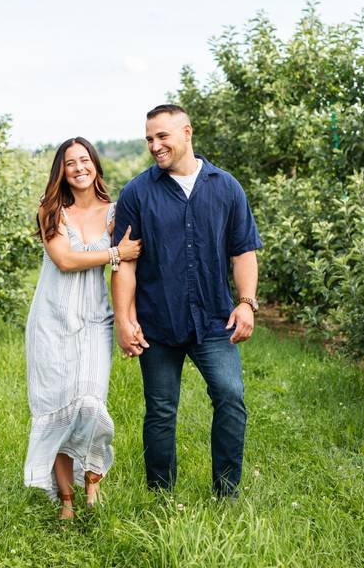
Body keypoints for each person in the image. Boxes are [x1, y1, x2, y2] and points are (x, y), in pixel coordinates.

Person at [111, 104, 261, 499]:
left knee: (230, 397)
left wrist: (246, 302)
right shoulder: (137, 193)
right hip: (158, 321)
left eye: (162, 136)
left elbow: (243, 250)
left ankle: (226, 492)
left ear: (187, 132)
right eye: (148, 139)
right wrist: (125, 321)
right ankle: (160, 495)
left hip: (214, 320)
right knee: (160, 410)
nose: (154, 145)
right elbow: (124, 262)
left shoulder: (226, 187)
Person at [24, 137, 142, 520]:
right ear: (61, 170)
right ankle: (66, 500)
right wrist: (113, 253)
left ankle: (92, 483)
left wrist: (129, 318)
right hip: (52, 321)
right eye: (70, 162)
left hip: (95, 320)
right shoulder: (51, 210)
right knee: (60, 408)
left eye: (84, 160)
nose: (78, 168)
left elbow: (128, 269)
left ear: (95, 165)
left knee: (90, 404)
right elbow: (65, 260)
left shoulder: (115, 212)